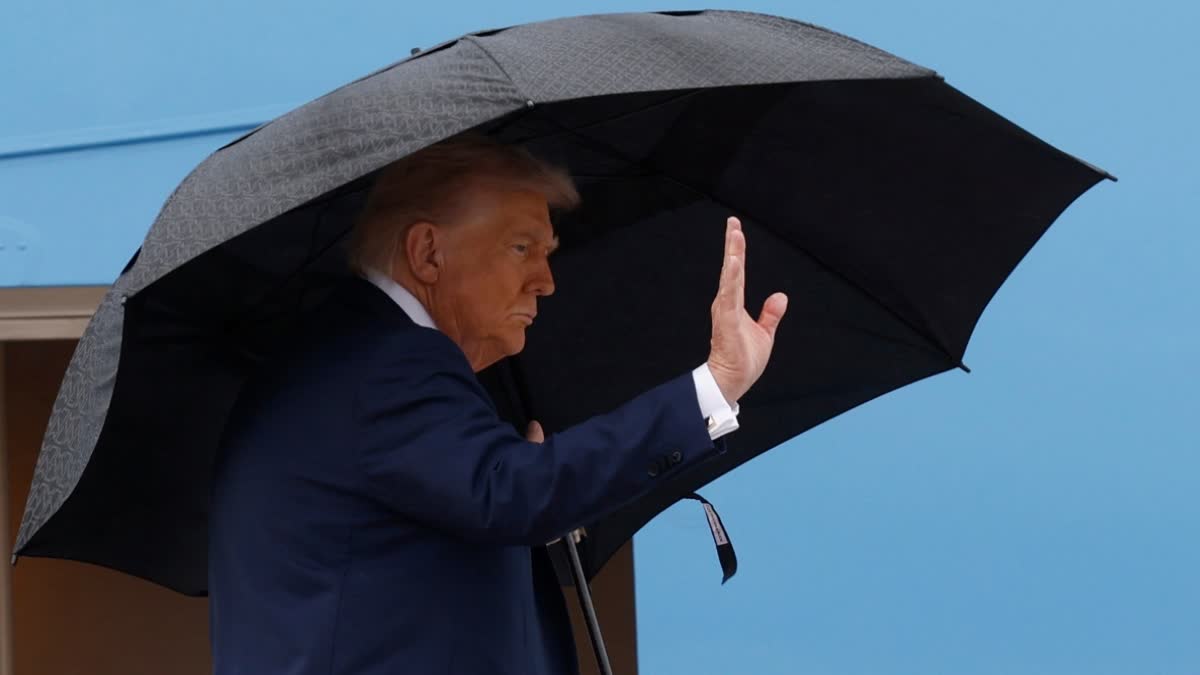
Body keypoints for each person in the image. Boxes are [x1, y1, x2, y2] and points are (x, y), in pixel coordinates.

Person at [208, 132, 788, 675]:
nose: (545, 280)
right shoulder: (389, 364)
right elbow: (510, 494)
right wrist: (717, 382)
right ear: (428, 253)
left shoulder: (351, 356)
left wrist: (524, 490)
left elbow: (453, 527)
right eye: (521, 247)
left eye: (547, 250)